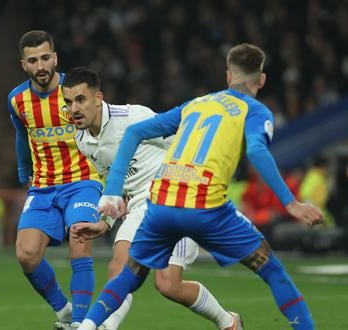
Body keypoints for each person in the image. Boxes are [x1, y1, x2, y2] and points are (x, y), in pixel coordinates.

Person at [74, 43, 324, 330]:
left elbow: (134, 132)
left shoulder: (197, 103)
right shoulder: (256, 111)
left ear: (228, 75)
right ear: (262, 79)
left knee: (129, 275)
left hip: (162, 204)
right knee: (273, 271)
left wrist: (112, 192)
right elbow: (256, 151)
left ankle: (86, 327)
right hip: (207, 208)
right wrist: (292, 203)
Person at [63, 66, 239, 330]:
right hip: (138, 208)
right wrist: (105, 223)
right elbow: (115, 186)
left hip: (176, 201)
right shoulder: (83, 140)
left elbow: (183, 141)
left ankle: (228, 321)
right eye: (68, 102)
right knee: (118, 268)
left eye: (80, 99)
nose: (74, 108)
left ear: (98, 97)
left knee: (168, 284)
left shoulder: (133, 117)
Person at [7, 30, 103, 329]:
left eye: (46, 57)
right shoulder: (17, 100)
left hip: (83, 179)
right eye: (33, 60)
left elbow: (104, 127)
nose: (41, 66)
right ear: (24, 64)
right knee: (26, 254)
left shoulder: (75, 91)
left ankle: (81, 322)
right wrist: (24, 173)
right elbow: (22, 136)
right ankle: (63, 311)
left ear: (56, 58)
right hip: (44, 185)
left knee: (79, 235)